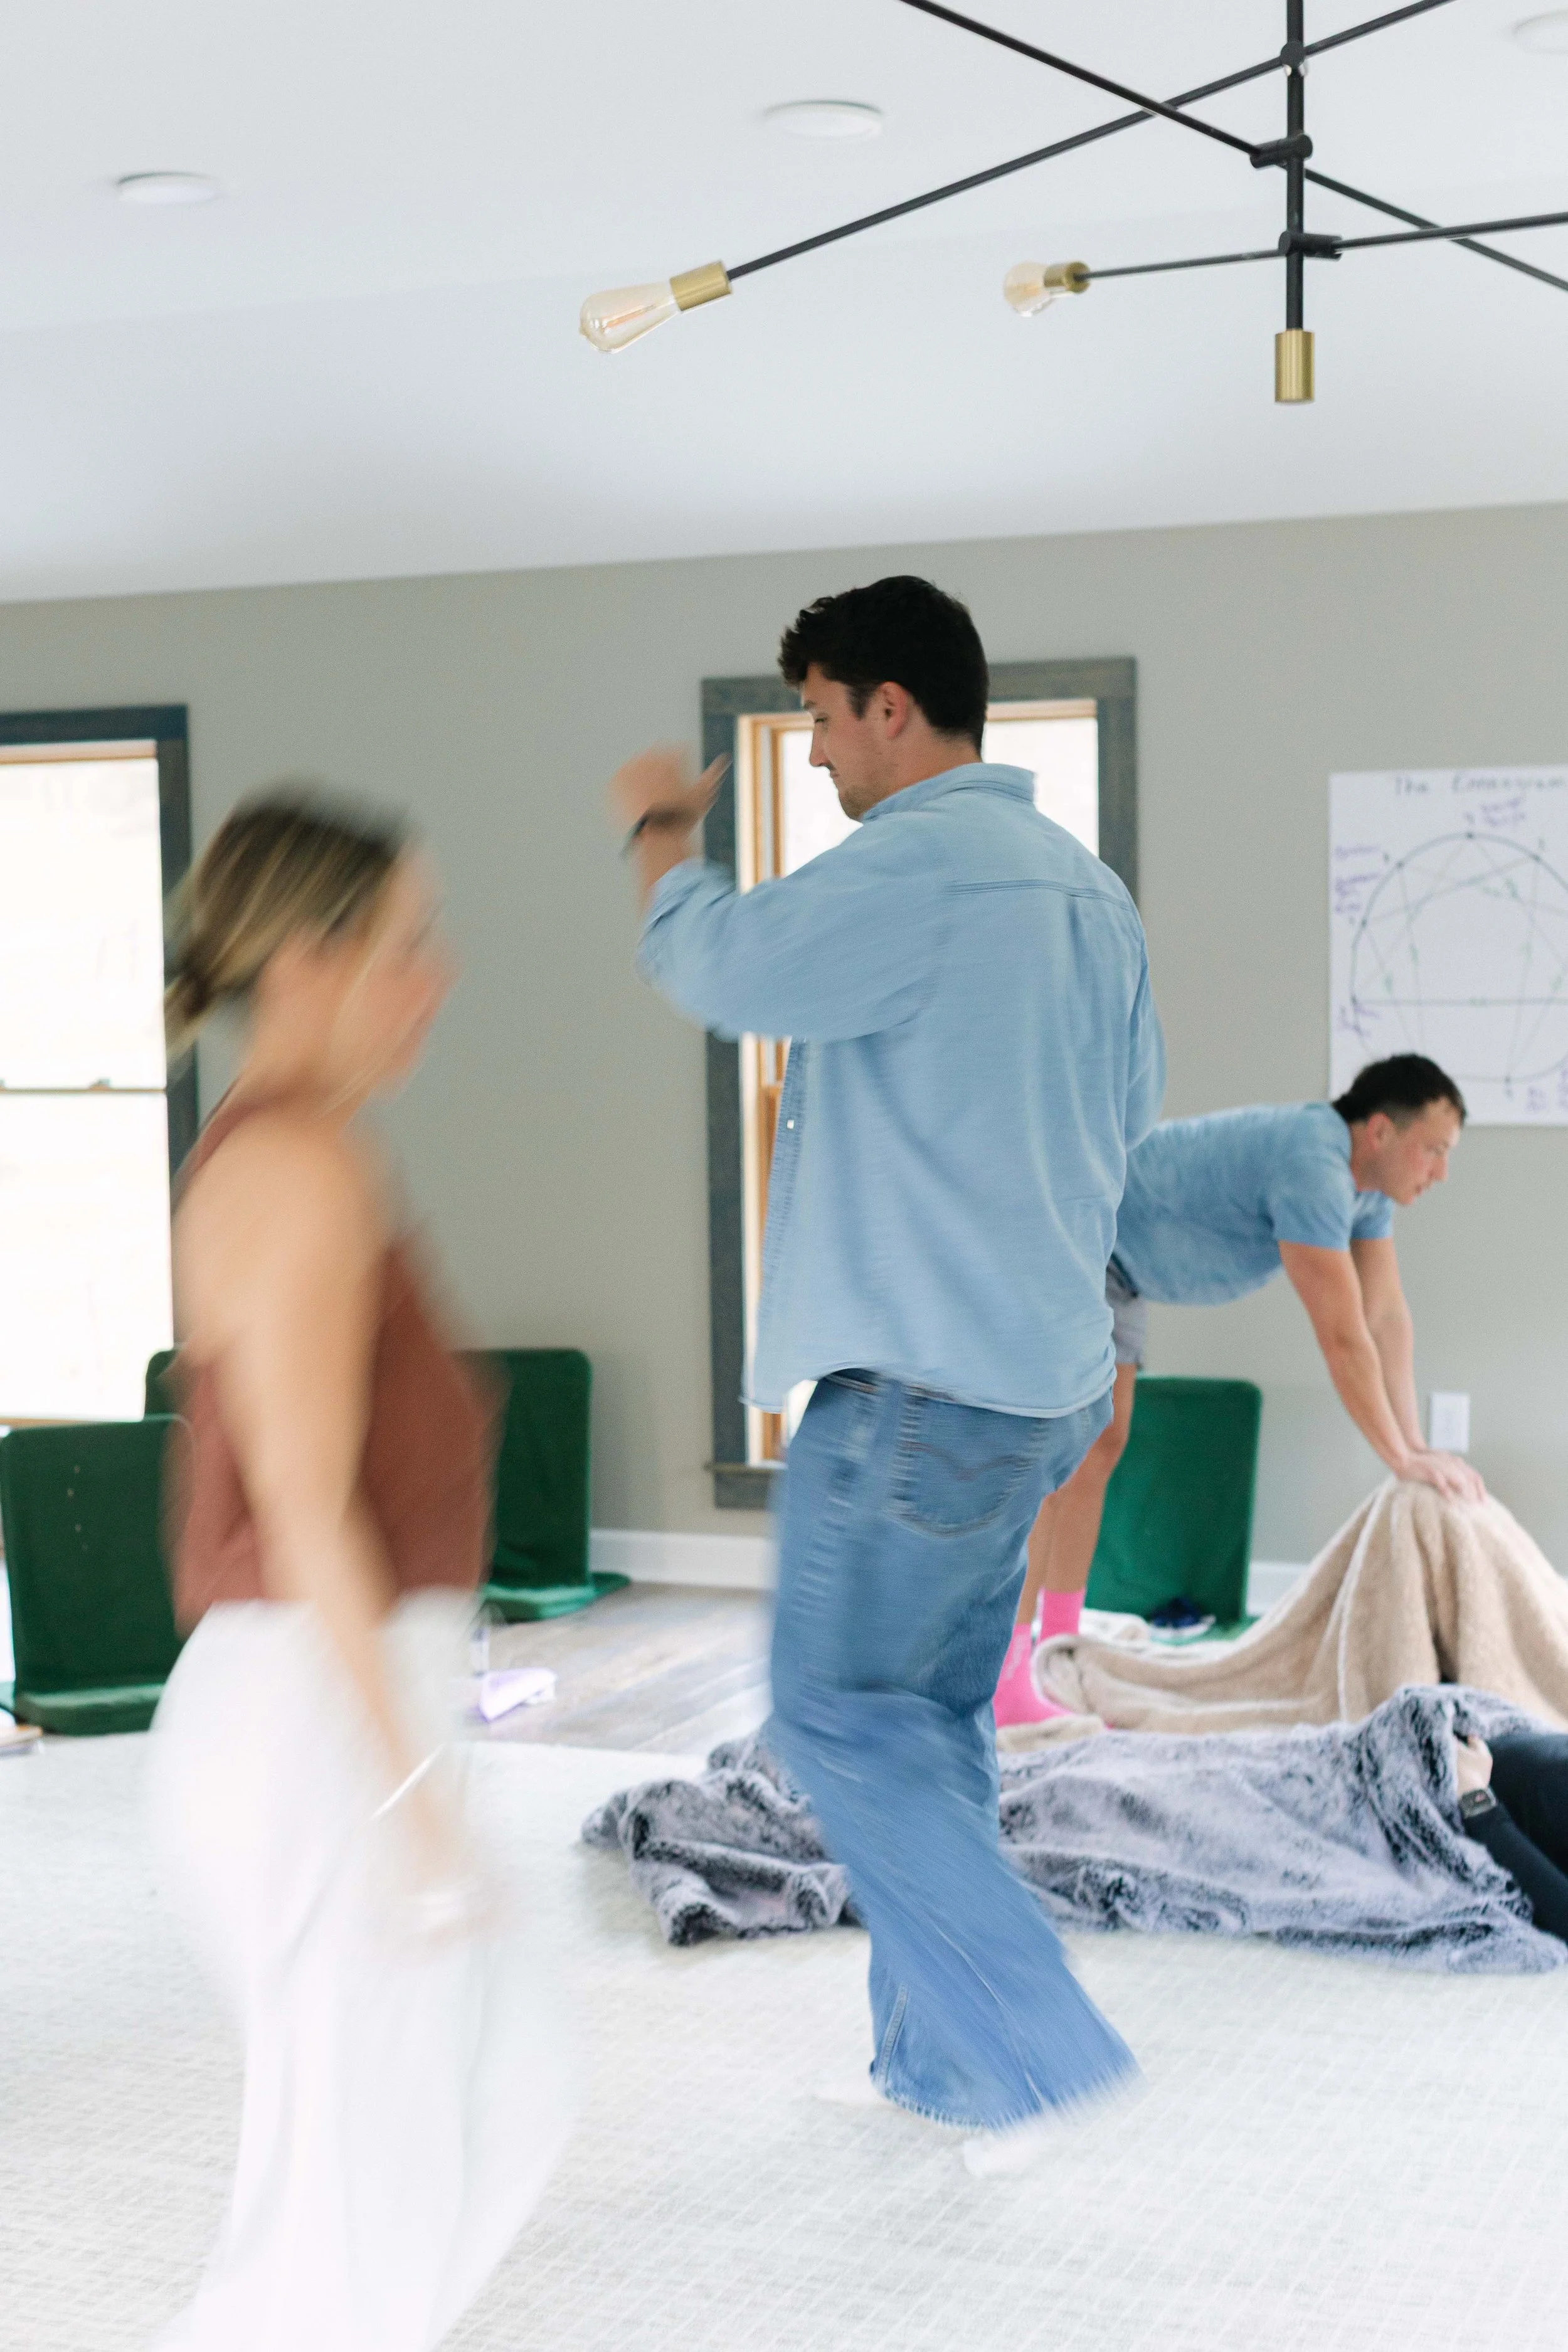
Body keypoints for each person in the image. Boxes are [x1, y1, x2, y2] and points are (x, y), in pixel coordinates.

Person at [612, 574, 1165, 2176]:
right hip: (1033, 1386)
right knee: (926, 1719)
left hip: (919, 1388)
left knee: (834, 1711)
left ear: (891, 709)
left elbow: (716, 965)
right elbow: (1126, 1142)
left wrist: (659, 832)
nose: (817, 755)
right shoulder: (1091, 893)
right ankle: (941, 2067)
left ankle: (1028, 2035)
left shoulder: (913, 867)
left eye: (821, 720)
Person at [148, 795, 573, 2352]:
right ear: (312, 958)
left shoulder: (307, 1153)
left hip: (329, 1704)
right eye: (412, 944)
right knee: (362, 2200)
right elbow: (312, 1512)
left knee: (445, 2124)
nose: (441, 977)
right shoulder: (298, 1173)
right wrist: (411, 1800)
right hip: (309, 1724)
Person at [999, 1054, 1489, 1728]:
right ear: (1379, 1131)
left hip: (1121, 1262)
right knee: (1062, 1454)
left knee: (1101, 1446)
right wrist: (1400, 1460)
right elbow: (1343, 1337)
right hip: (1078, 1235)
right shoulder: (1311, 1165)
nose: (1439, 1172)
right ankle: (1004, 1675)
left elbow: (1385, 1319)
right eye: (1432, 1151)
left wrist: (1414, 1447)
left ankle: (1054, 1646)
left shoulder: (1365, 1192)